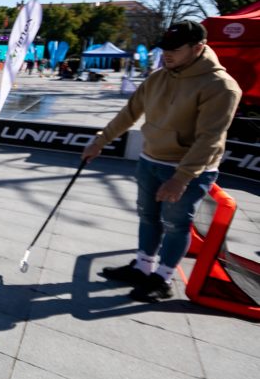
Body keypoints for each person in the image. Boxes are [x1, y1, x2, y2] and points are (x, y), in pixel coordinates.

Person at [83, 21, 242, 302]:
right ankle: (143, 267)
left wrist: (181, 178)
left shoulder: (221, 86)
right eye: (165, 48)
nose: (167, 54)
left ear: (198, 48)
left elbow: (210, 138)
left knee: (176, 225)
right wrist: (100, 141)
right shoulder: (159, 77)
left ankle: (163, 278)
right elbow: (129, 112)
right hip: (150, 160)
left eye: (174, 49)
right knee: (148, 216)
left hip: (188, 170)